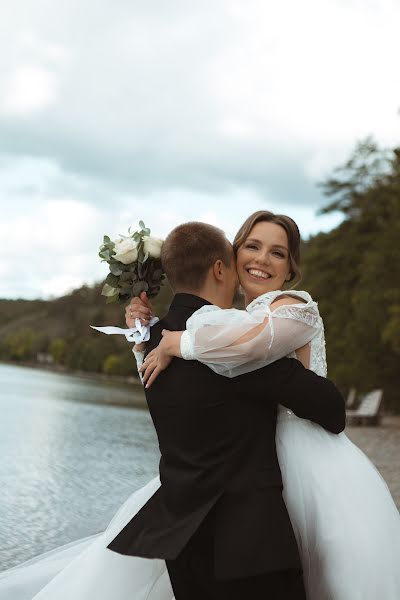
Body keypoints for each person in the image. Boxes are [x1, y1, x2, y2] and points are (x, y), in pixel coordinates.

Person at [0, 218, 345, 600]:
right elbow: (328, 406)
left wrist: (152, 336)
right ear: (219, 268)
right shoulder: (234, 342)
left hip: (182, 544)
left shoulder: (150, 343)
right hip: (251, 546)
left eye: (276, 252)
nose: (256, 262)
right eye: (243, 253)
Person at [133, 210, 400, 600]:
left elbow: (254, 347)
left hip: (307, 462)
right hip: (250, 483)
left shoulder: (288, 308)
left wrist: (174, 342)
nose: (262, 259)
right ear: (230, 258)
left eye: (278, 253)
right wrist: (145, 334)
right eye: (253, 247)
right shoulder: (226, 322)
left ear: (291, 268)